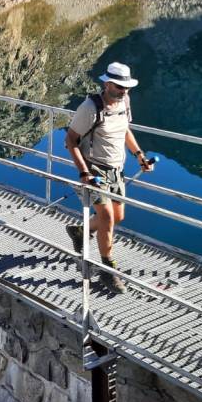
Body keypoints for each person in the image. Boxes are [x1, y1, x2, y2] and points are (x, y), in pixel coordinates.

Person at [64, 61, 154, 293]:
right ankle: (107, 270)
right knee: (106, 217)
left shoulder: (125, 102)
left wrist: (139, 156)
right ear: (107, 84)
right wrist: (84, 172)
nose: (124, 91)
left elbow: (125, 130)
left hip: (116, 169)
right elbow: (70, 140)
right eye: (120, 87)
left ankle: (80, 231)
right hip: (95, 169)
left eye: (127, 87)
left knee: (118, 217)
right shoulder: (90, 107)